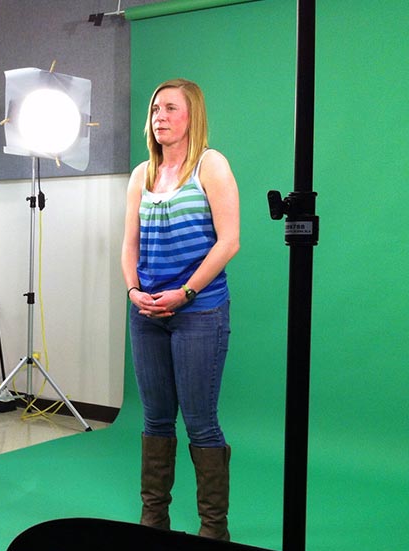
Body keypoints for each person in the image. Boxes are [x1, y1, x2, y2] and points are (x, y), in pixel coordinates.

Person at [120, 78, 240, 541]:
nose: (160, 116)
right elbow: (129, 245)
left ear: (193, 116)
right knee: (155, 420)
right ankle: (154, 522)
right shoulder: (141, 174)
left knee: (200, 423)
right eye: (155, 109)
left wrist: (185, 293)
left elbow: (229, 242)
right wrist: (134, 291)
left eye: (171, 108)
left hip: (199, 313)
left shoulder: (211, 165)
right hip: (147, 314)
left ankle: (214, 530)